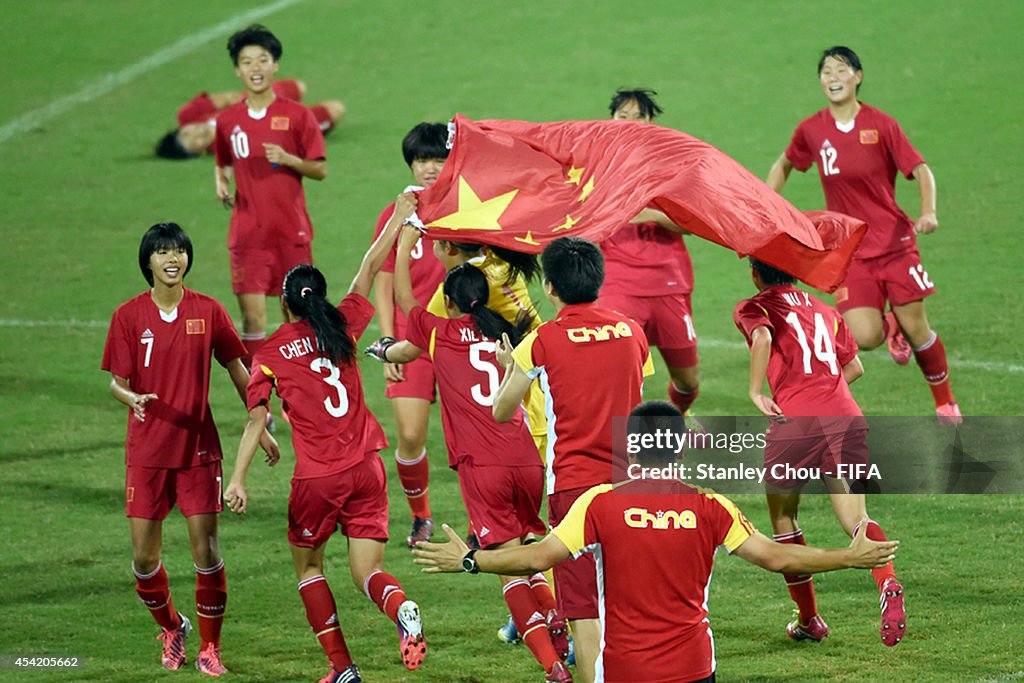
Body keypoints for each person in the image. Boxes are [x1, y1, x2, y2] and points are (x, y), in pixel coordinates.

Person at [412, 401, 901, 683]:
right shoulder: (711, 506)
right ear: (680, 447)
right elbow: (776, 557)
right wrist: (849, 556)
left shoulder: (599, 504)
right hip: (692, 668)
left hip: (625, 670)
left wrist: (472, 561)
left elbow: (538, 556)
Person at [224, 201, 426, 683]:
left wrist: (238, 479)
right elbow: (369, 264)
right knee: (367, 571)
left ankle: (342, 668)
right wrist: (401, 213)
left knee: (309, 568)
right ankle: (402, 609)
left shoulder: (271, 352)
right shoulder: (344, 322)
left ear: (286, 304)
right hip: (367, 470)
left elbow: (257, 420)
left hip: (317, 478)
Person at [365, 225, 570, 682]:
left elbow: (403, 298)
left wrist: (402, 246)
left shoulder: (440, 334)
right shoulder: (507, 337)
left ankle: (553, 667)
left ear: (451, 302)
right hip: (527, 459)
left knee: (507, 570)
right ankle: (558, 620)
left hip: (485, 467)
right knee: (528, 551)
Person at [101, 222, 279, 676]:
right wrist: (132, 398)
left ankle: (210, 647)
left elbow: (239, 369)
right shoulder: (128, 316)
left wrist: (261, 423)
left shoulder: (209, 311)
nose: (171, 258)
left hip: (200, 451)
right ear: (148, 262)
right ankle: (171, 628)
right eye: (162, 252)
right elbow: (116, 384)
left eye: (178, 250)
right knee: (143, 560)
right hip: (146, 453)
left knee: (207, 551)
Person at [766, 46, 961, 424]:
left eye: (841, 70)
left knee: (919, 327)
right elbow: (786, 162)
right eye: (825, 71)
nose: (832, 77)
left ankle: (945, 401)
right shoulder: (811, 129)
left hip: (894, 245)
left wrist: (929, 212)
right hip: (849, 250)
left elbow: (920, 168)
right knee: (864, 336)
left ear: (858, 77)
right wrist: (769, 205)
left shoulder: (882, 124)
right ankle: (892, 327)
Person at [492, 236, 654, 683]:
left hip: (574, 491)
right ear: (599, 280)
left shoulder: (540, 342)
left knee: (584, 610)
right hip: (631, 486)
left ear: (549, 287)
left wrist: (512, 367)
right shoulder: (631, 332)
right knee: (629, 602)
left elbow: (501, 412)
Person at [734, 257, 906, 647]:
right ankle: (888, 579)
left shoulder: (755, 306)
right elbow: (855, 367)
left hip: (794, 424)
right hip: (845, 417)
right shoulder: (827, 311)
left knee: (783, 519)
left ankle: (810, 619)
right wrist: (827, 390)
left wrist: (757, 391)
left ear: (756, 274)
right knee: (857, 517)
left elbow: (761, 338)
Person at [213, 24, 328, 373]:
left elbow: (320, 169)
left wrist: (290, 159)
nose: (255, 68)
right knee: (252, 321)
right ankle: (261, 401)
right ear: (237, 69)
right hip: (248, 236)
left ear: (275, 64)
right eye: (247, 62)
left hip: (291, 234)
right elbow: (222, 159)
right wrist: (221, 181)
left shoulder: (297, 115)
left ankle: (300, 396)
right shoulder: (228, 120)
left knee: (297, 320)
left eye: (262, 60)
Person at [370, 122, 449, 547]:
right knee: (411, 435)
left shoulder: (465, 209)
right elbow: (382, 281)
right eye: (422, 160)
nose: (430, 168)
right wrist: (387, 344)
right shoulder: (396, 214)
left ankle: (489, 518)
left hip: (458, 339)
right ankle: (421, 516)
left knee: (472, 438)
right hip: (409, 340)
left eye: (439, 159)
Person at [602, 89, 701, 421]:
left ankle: (671, 425)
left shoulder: (672, 165)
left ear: (651, 122)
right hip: (619, 284)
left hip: (669, 281)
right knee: (621, 376)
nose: (630, 123)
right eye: (622, 116)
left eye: (638, 116)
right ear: (610, 120)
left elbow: (695, 222)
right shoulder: (598, 167)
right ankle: (631, 447)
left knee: (688, 381)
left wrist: (651, 214)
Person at [155, 79, 344, 159]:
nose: (196, 132)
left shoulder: (187, 115)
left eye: (186, 133)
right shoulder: (229, 149)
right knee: (336, 109)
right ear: (201, 152)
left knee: (299, 87)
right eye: (192, 142)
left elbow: (229, 97)